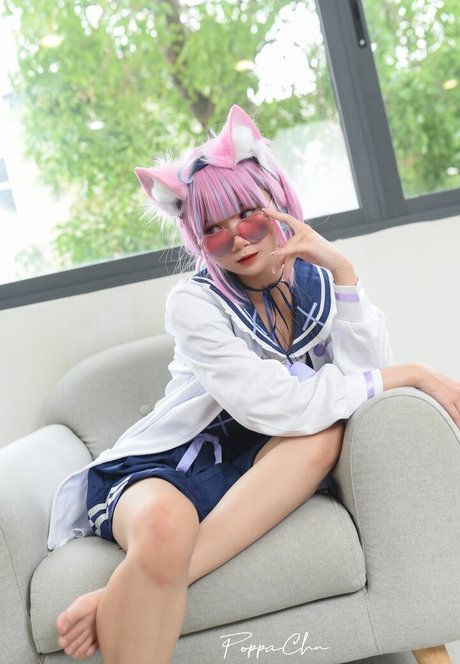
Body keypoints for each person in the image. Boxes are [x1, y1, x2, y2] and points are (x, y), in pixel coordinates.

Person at [52, 105, 460, 663]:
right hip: (168, 465)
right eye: (214, 231)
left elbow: (363, 385)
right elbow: (276, 405)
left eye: (248, 215)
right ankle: (146, 574)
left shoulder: (318, 281)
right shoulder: (194, 302)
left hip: (263, 466)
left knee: (325, 436)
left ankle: (118, 595)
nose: (238, 239)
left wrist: (344, 274)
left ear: (277, 199)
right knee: (166, 528)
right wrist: (410, 372)